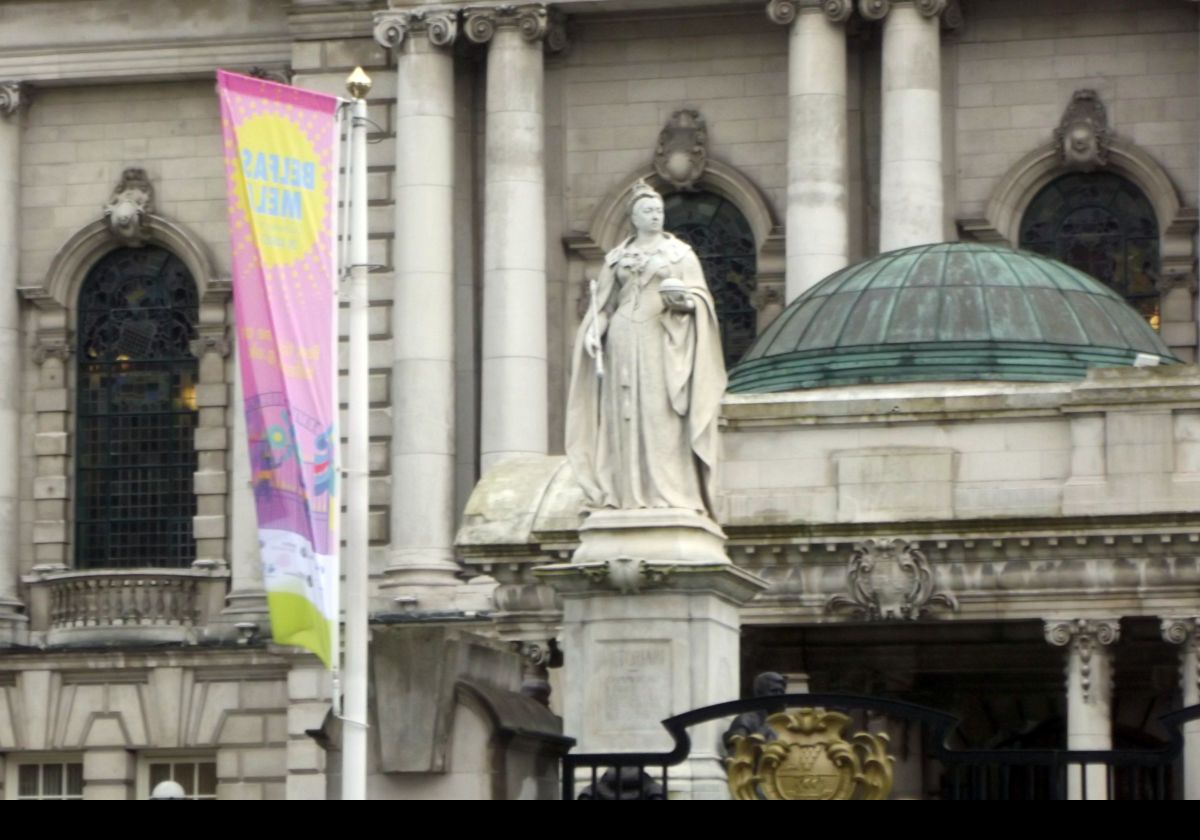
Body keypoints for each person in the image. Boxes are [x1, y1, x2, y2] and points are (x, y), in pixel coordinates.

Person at [566, 180, 726, 518]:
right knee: (623, 413)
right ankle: (625, 492)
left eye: (658, 211)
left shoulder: (680, 254)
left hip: (663, 339)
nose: (655, 216)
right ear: (633, 217)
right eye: (647, 211)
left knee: (661, 415)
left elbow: (701, 298)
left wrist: (683, 301)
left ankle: (671, 494)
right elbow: (605, 306)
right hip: (623, 339)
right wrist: (595, 330)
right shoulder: (616, 258)